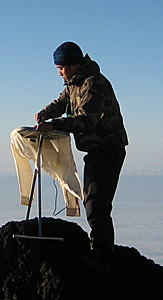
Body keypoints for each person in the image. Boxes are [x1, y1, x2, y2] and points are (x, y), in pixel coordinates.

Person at [35, 41, 128, 267]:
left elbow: (86, 121)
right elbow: (62, 101)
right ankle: (100, 252)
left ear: (75, 64)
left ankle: (102, 259)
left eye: (62, 68)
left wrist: (54, 125)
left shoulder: (93, 85)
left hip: (108, 149)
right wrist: (45, 114)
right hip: (97, 150)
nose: (60, 73)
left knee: (97, 205)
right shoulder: (75, 83)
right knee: (94, 203)